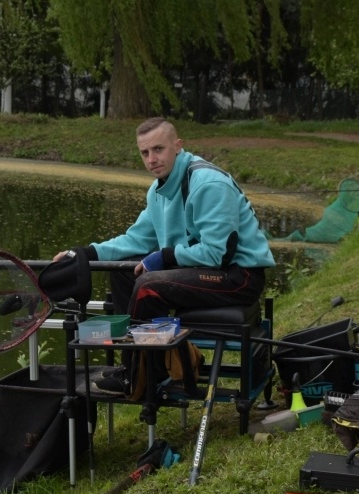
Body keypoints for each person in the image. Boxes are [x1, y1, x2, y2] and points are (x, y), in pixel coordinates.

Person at [53, 117, 275, 395]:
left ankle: (137, 378)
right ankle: (144, 368)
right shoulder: (158, 190)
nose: (152, 159)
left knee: (148, 287)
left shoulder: (208, 184)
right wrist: (83, 254)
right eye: (145, 153)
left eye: (158, 149)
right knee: (123, 271)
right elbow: (135, 239)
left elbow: (217, 254)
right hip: (210, 271)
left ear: (178, 146)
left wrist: (164, 257)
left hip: (239, 276)